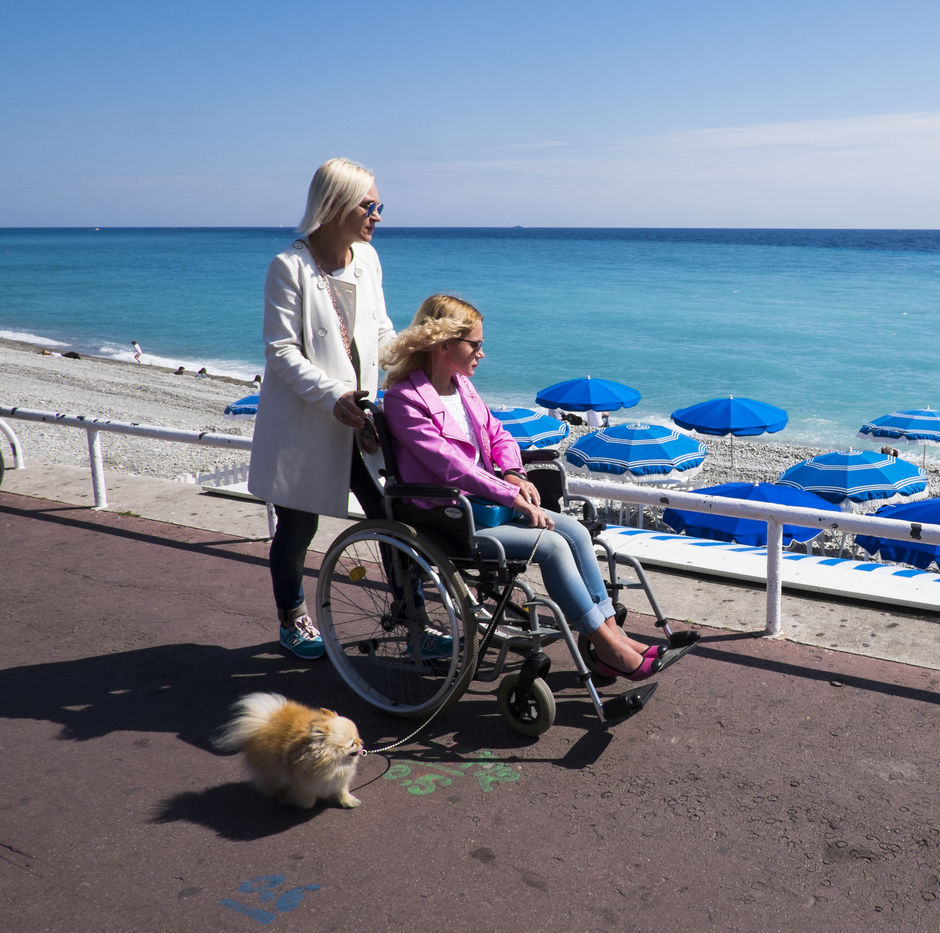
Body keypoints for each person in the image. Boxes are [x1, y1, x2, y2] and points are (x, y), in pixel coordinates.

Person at [382, 295, 681, 680]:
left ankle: (613, 636)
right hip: (450, 517)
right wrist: (511, 496)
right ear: (443, 345)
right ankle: (607, 645)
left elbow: (499, 435)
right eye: (475, 345)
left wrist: (513, 473)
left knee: (575, 532)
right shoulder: (404, 400)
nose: (482, 354)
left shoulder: (462, 387)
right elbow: (451, 467)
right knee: (553, 545)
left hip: (486, 503)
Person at [248, 158, 395, 660]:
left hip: (362, 419)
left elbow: (380, 331)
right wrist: (334, 396)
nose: (377, 216)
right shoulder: (288, 267)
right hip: (307, 423)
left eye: (379, 205)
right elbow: (281, 352)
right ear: (334, 205)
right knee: (298, 527)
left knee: (389, 515)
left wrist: (416, 361)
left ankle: (412, 615)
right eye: (368, 206)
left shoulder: (368, 260)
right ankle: (292, 618)